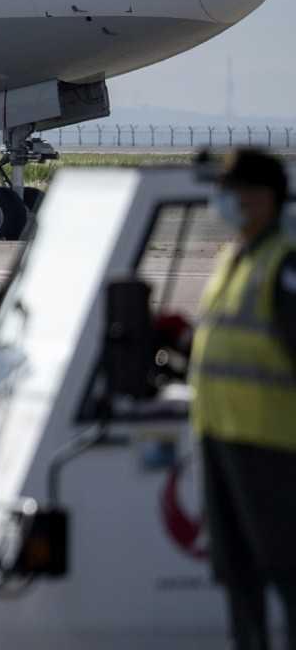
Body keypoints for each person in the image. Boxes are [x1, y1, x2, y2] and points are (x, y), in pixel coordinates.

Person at [190, 148, 296, 649]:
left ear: (264, 199)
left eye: (236, 191)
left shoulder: (285, 266)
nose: (226, 200)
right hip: (221, 438)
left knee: (286, 571)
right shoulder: (235, 257)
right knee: (236, 573)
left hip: (271, 446)